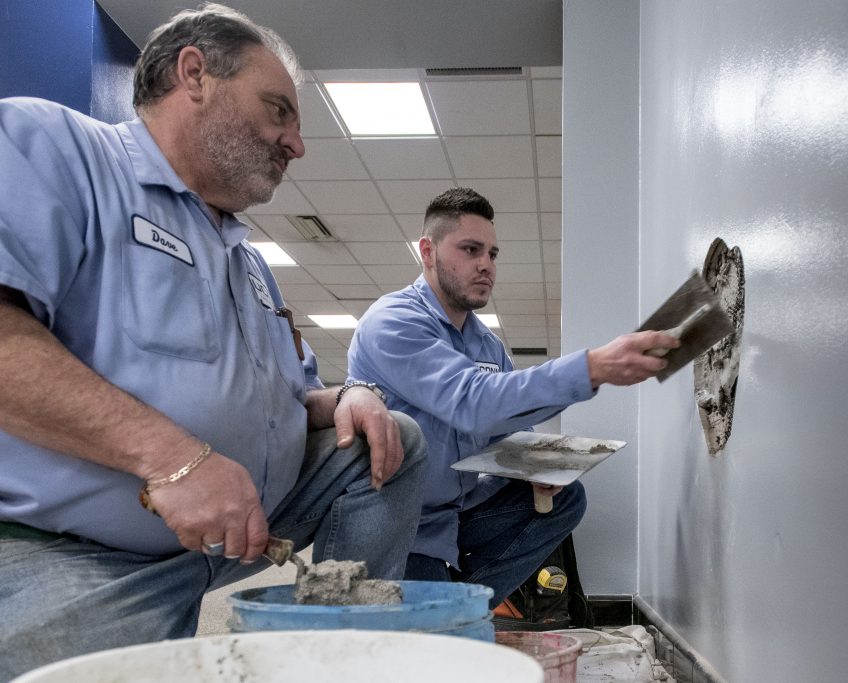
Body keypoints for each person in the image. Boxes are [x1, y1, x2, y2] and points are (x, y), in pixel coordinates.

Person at [0, 5, 426, 678]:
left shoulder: (245, 261)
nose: (296, 143)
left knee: (391, 438)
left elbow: (291, 394)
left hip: (241, 532)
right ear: (194, 73)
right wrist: (174, 459)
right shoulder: (55, 148)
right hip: (80, 556)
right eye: (278, 109)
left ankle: (336, 647)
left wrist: (348, 395)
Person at [347, 187, 679, 611]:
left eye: (492, 253)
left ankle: (461, 608)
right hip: (394, 525)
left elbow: (510, 430)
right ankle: (449, 614)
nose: (485, 264)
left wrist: (536, 468)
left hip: (453, 514)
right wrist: (591, 367)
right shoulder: (392, 322)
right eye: (470, 249)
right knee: (431, 653)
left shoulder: (487, 345)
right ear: (427, 252)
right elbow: (473, 403)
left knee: (565, 499)